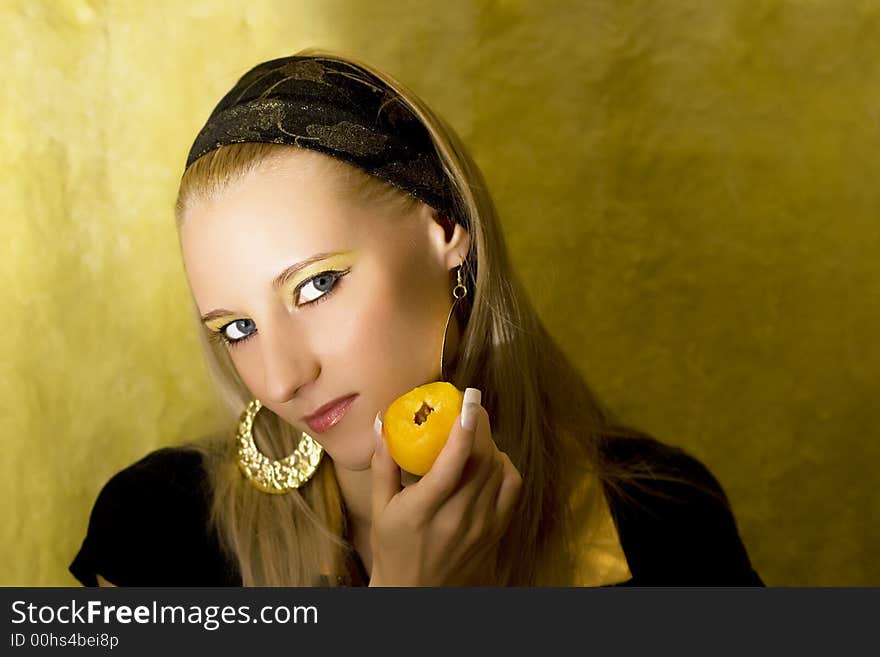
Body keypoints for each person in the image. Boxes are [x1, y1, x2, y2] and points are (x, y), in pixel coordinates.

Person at [70, 49, 764, 587]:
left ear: (444, 228)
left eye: (316, 286)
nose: (281, 380)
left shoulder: (660, 521)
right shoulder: (157, 531)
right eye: (237, 329)